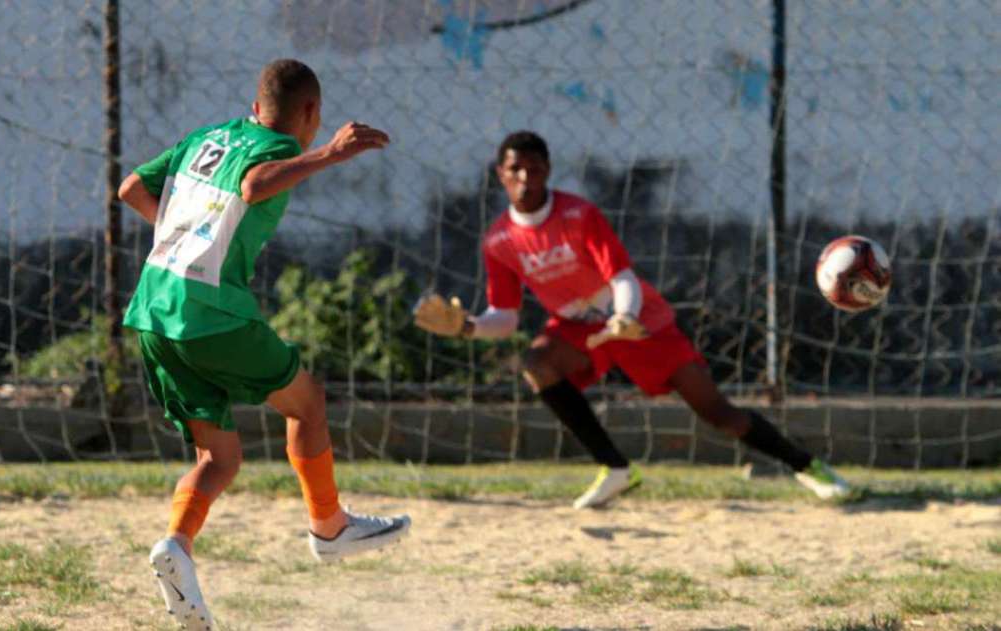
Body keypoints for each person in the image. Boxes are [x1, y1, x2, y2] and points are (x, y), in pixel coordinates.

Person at [118, 59, 411, 630]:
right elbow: (255, 185)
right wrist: (329, 153)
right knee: (307, 403)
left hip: (153, 309)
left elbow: (131, 188)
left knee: (218, 458)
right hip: (210, 313)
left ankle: (175, 547)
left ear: (255, 104)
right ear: (310, 114)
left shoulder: (207, 136)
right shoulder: (278, 145)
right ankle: (329, 528)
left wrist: (185, 238)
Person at [414, 130, 848, 509]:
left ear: (548, 170)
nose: (525, 179)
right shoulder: (498, 240)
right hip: (576, 329)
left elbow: (621, 275)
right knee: (537, 363)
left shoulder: (578, 215)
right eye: (515, 170)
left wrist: (623, 315)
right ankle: (615, 468)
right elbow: (505, 317)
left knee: (719, 414)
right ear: (500, 174)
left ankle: (809, 467)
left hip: (639, 320)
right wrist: (467, 326)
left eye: (534, 168)